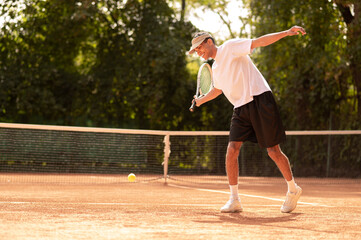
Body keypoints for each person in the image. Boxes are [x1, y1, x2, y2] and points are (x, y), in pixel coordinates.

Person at [188, 26, 306, 213]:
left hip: (259, 98)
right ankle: (234, 199)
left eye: (199, 48)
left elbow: (259, 41)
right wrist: (201, 101)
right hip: (240, 108)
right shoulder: (216, 68)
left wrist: (285, 33)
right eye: (195, 51)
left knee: (273, 151)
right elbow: (217, 90)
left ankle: (293, 189)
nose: (198, 52)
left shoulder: (230, 47)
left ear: (209, 42)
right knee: (232, 150)